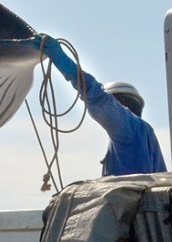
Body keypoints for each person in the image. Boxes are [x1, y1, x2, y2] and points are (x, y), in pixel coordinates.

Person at [37, 34, 166, 177]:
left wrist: (62, 61)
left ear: (118, 104)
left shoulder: (126, 128)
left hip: (126, 200)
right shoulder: (146, 134)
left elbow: (98, 99)